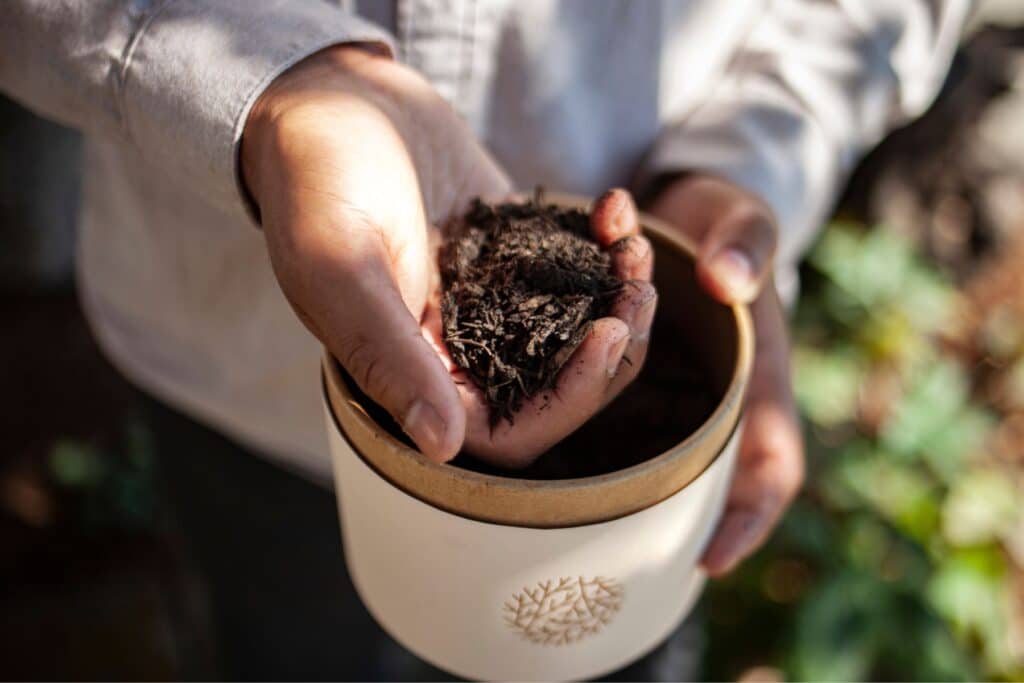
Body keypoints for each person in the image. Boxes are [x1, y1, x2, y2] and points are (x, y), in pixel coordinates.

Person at [2, 1, 969, 679]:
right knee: (292, 642)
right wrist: (280, 85)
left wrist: (753, 153)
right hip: (235, 366)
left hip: (637, 484)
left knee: (608, 655)